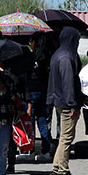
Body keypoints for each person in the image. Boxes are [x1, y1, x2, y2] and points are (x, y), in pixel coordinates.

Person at [46, 26, 87, 175]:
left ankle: (56, 170)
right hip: (66, 102)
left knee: (63, 136)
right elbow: (68, 82)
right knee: (66, 138)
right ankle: (63, 172)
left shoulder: (59, 54)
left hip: (59, 100)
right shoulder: (66, 57)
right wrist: (73, 105)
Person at [26, 31, 56, 161]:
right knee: (43, 121)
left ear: (35, 42)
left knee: (30, 122)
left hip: (32, 94)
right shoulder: (49, 57)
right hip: (45, 92)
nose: (30, 44)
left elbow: (26, 78)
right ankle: (46, 150)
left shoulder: (30, 57)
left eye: (31, 41)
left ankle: (31, 150)